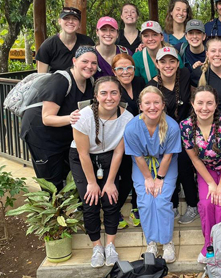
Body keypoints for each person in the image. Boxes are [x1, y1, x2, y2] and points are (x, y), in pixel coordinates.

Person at [69, 76, 133, 268]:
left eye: (114, 92)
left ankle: (110, 245)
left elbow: (119, 151)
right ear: (96, 96)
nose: (109, 97)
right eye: (103, 93)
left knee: (111, 198)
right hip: (84, 159)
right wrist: (92, 182)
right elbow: (82, 154)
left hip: (110, 157)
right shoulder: (84, 116)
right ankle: (97, 246)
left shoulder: (127, 118)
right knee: (91, 200)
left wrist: (110, 181)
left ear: (120, 94)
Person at [180, 85, 221, 263]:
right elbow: (195, 160)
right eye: (200, 103)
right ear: (193, 104)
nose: (204, 107)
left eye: (209, 103)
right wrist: (211, 183)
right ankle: (209, 244)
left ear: (216, 105)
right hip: (206, 170)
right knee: (207, 203)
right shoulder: (186, 127)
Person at [20, 46, 98, 192]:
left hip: (64, 136)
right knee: (51, 180)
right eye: (85, 61)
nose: (89, 66)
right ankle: (53, 211)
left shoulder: (90, 82)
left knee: (68, 175)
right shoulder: (61, 80)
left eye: (94, 63)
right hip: (41, 134)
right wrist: (71, 118)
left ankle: (67, 209)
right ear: (74, 61)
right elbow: (47, 118)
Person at [124, 86, 182, 263]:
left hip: (165, 165)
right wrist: (149, 179)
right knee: (145, 200)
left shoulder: (171, 126)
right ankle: (151, 242)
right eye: (147, 103)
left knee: (162, 199)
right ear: (140, 106)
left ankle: (166, 241)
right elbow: (137, 156)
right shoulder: (132, 127)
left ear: (163, 104)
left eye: (156, 102)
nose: (152, 107)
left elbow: (168, 156)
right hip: (142, 166)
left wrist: (160, 179)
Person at [148, 47, 199, 224]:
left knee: (185, 167)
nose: (168, 65)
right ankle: (173, 205)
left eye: (172, 61)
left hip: (186, 131)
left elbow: (203, 78)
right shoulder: (152, 86)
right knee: (169, 168)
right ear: (157, 63)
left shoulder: (185, 74)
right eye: (163, 61)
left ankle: (193, 205)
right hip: (164, 133)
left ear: (178, 63)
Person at [111, 53, 146, 229]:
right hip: (120, 139)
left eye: (129, 68)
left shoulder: (140, 83)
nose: (126, 72)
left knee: (138, 175)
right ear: (114, 71)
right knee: (125, 177)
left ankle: (135, 208)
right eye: (121, 69)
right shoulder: (112, 89)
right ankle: (114, 210)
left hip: (141, 138)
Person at [36, 7, 94, 73]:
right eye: (66, 18)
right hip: (56, 82)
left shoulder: (87, 42)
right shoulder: (48, 45)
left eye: (74, 19)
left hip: (83, 82)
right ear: (59, 21)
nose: (70, 21)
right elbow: (41, 77)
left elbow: (94, 66)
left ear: (79, 24)